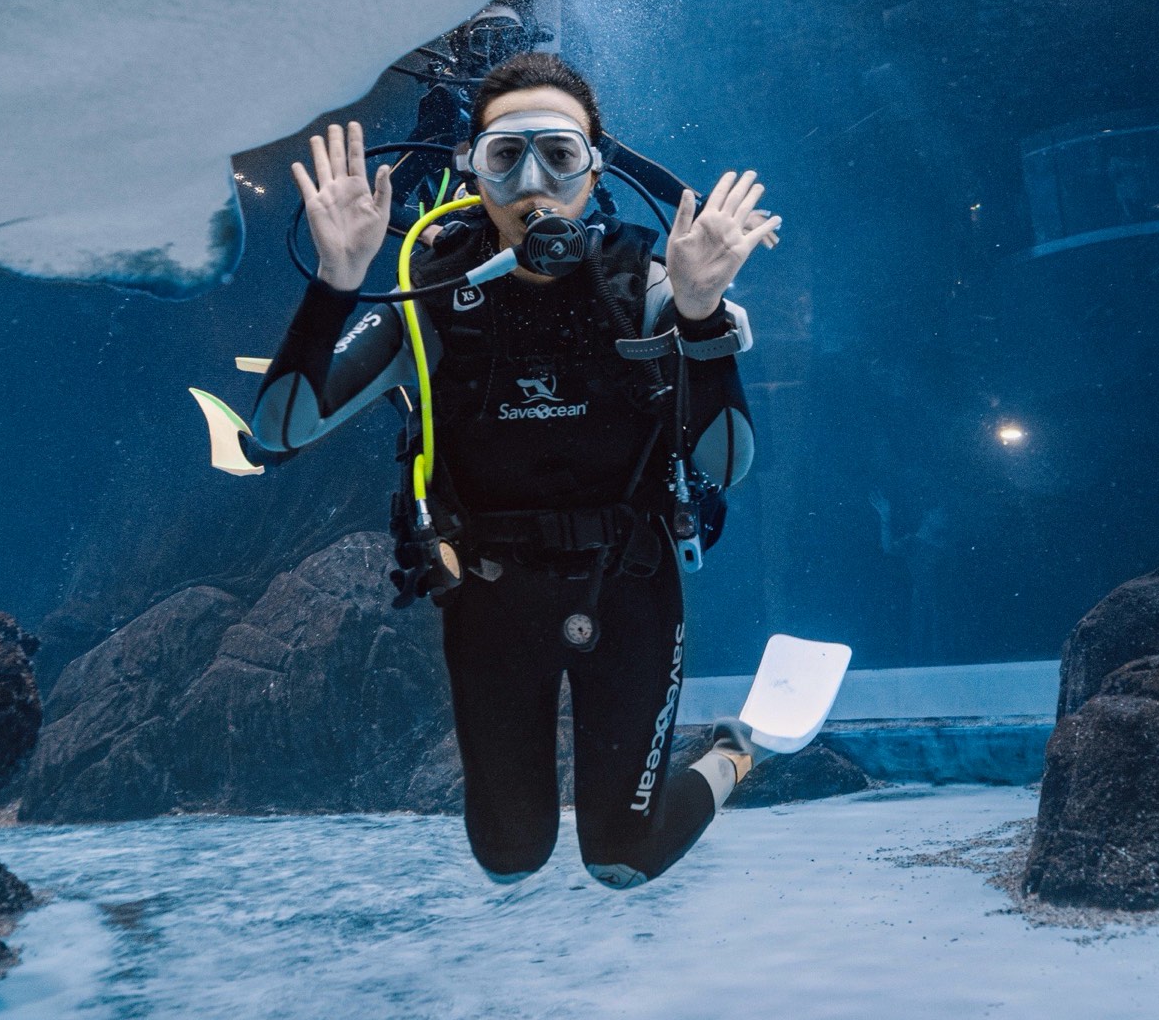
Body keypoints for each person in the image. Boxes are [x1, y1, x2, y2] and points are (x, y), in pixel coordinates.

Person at [251, 52, 781, 888]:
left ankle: (730, 757)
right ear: (470, 171)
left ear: (593, 171)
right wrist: (336, 283)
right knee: (508, 856)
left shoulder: (645, 288)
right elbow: (277, 433)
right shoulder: (427, 296)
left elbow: (724, 464)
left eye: (559, 156)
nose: (533, 183)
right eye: (506, 157)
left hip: (629, 589)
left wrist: (699, 313)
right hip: (490, 600)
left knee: (624, 858)